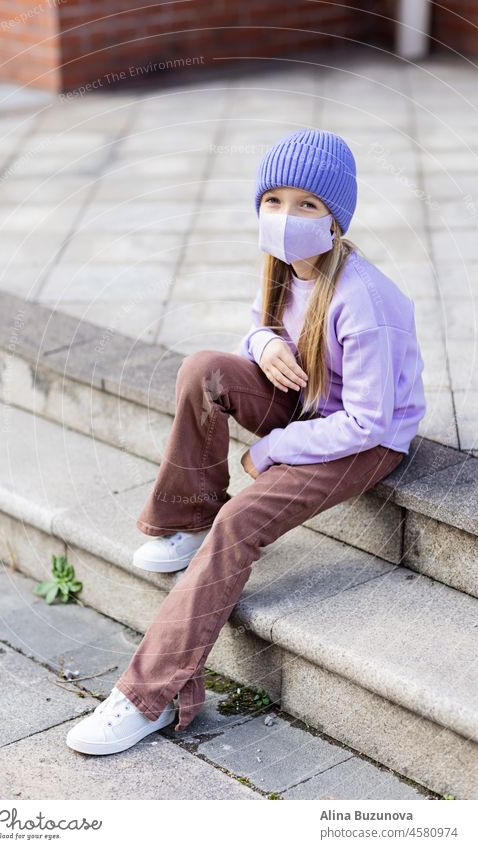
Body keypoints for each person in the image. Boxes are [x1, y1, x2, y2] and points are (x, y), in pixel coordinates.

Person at [66, 127, 426, 756]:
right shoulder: (285, 268)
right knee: (203, 370)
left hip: (366, 439)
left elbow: (369, 422)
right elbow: (255, 327)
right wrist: (263, 344)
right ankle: (188, 523)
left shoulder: (367, 302)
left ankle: (149, 695)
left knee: (244, 520)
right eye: (274, 201)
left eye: (308, 205)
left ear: (336, 220)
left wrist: (276, 447)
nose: (287, 218)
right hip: (311, 398)